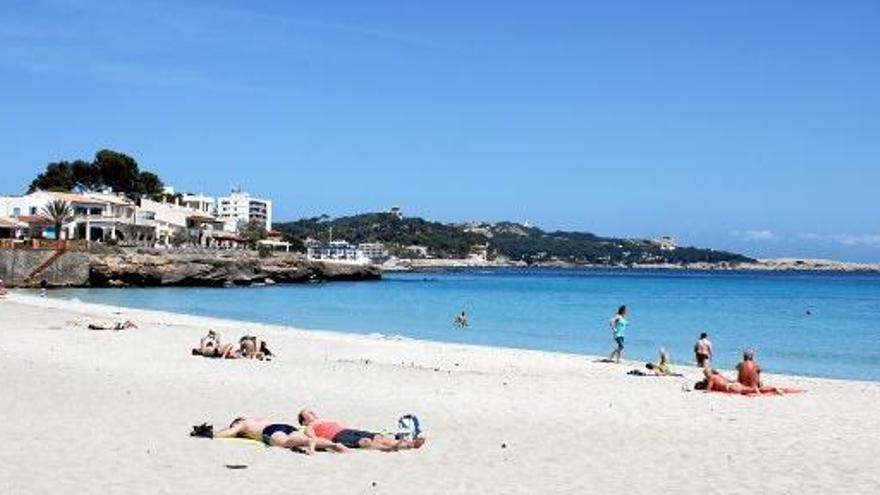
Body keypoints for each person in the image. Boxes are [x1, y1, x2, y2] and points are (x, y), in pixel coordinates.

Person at [298, 409, 426, 451]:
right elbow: (313, 438)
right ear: (304, 421)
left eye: (310, 411)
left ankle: (409, 444)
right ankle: (389, 448)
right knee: (364, 441)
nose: (311, 413)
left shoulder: (324, 419)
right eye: (307, 413)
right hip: (337, 436)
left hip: (347, 430)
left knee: (378, 437)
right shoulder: (309, 427)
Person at [213, 417, 346, 454]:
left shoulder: (243, 424)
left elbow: (229, 433)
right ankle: (333, 445)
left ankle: (308, 443)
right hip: (285, 425)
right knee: (304, 438)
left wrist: (214, 434)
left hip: (270, 430)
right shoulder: (256, 419)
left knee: (286, 442)